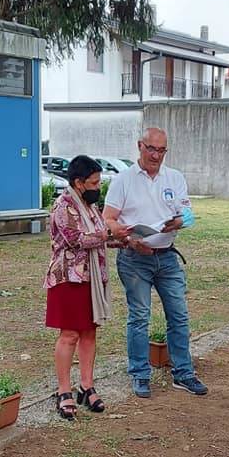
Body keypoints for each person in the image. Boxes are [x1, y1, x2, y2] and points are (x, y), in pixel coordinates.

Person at [103, 127, 208, 399]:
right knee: (139, 317)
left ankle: (183, 373)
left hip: (168, 257)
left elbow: (187, 214)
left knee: (179, 315)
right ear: (140, 146)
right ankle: (139, 374)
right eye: (151, 149)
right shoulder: (123, 180)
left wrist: (179, 221)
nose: (156, 155)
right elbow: (108, 219)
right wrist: (127, 237)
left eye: (162, 150)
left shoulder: (174, 178)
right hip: (134, 258)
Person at [45, 155, 131, 418]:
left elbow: (98, 238)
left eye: (99, 182)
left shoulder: (90, 207)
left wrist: (122, 240)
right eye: (93, 183)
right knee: (69, 334)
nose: (98, 187)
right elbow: (75, 240)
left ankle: (86, 385)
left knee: (89, 333)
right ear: (78, 182)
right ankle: (63, 390)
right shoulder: (64, 205)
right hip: (68, 279)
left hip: (92, 279)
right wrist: (108, 235)